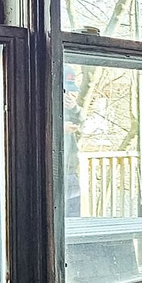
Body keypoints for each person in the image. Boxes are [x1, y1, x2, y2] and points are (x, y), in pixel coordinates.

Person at [63, 65, 84, 217]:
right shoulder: (41, 105)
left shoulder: (70, 108)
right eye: (65, 90)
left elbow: (84, 124)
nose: (68, 95)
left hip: (70, 171)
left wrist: (75, 108)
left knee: (73, 217)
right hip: (52, 173)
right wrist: (60, 128)